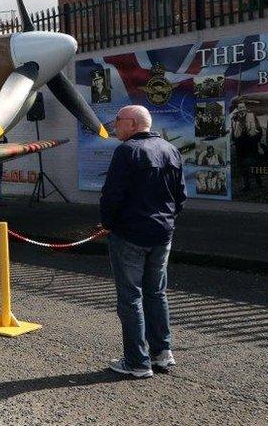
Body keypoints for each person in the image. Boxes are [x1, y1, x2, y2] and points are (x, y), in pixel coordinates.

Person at [100, 105, 186, 378]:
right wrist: (167, 221)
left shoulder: (126, 151)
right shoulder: (171, 150)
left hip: (130, 235)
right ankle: (162, 353)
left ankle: (137, 361)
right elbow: (180, 195)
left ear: (133, 123)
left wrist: (108, 224)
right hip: (162, 234)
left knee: (131, 298)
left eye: (119, 121)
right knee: (156, 293)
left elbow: (112, 196)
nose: (115, 125)